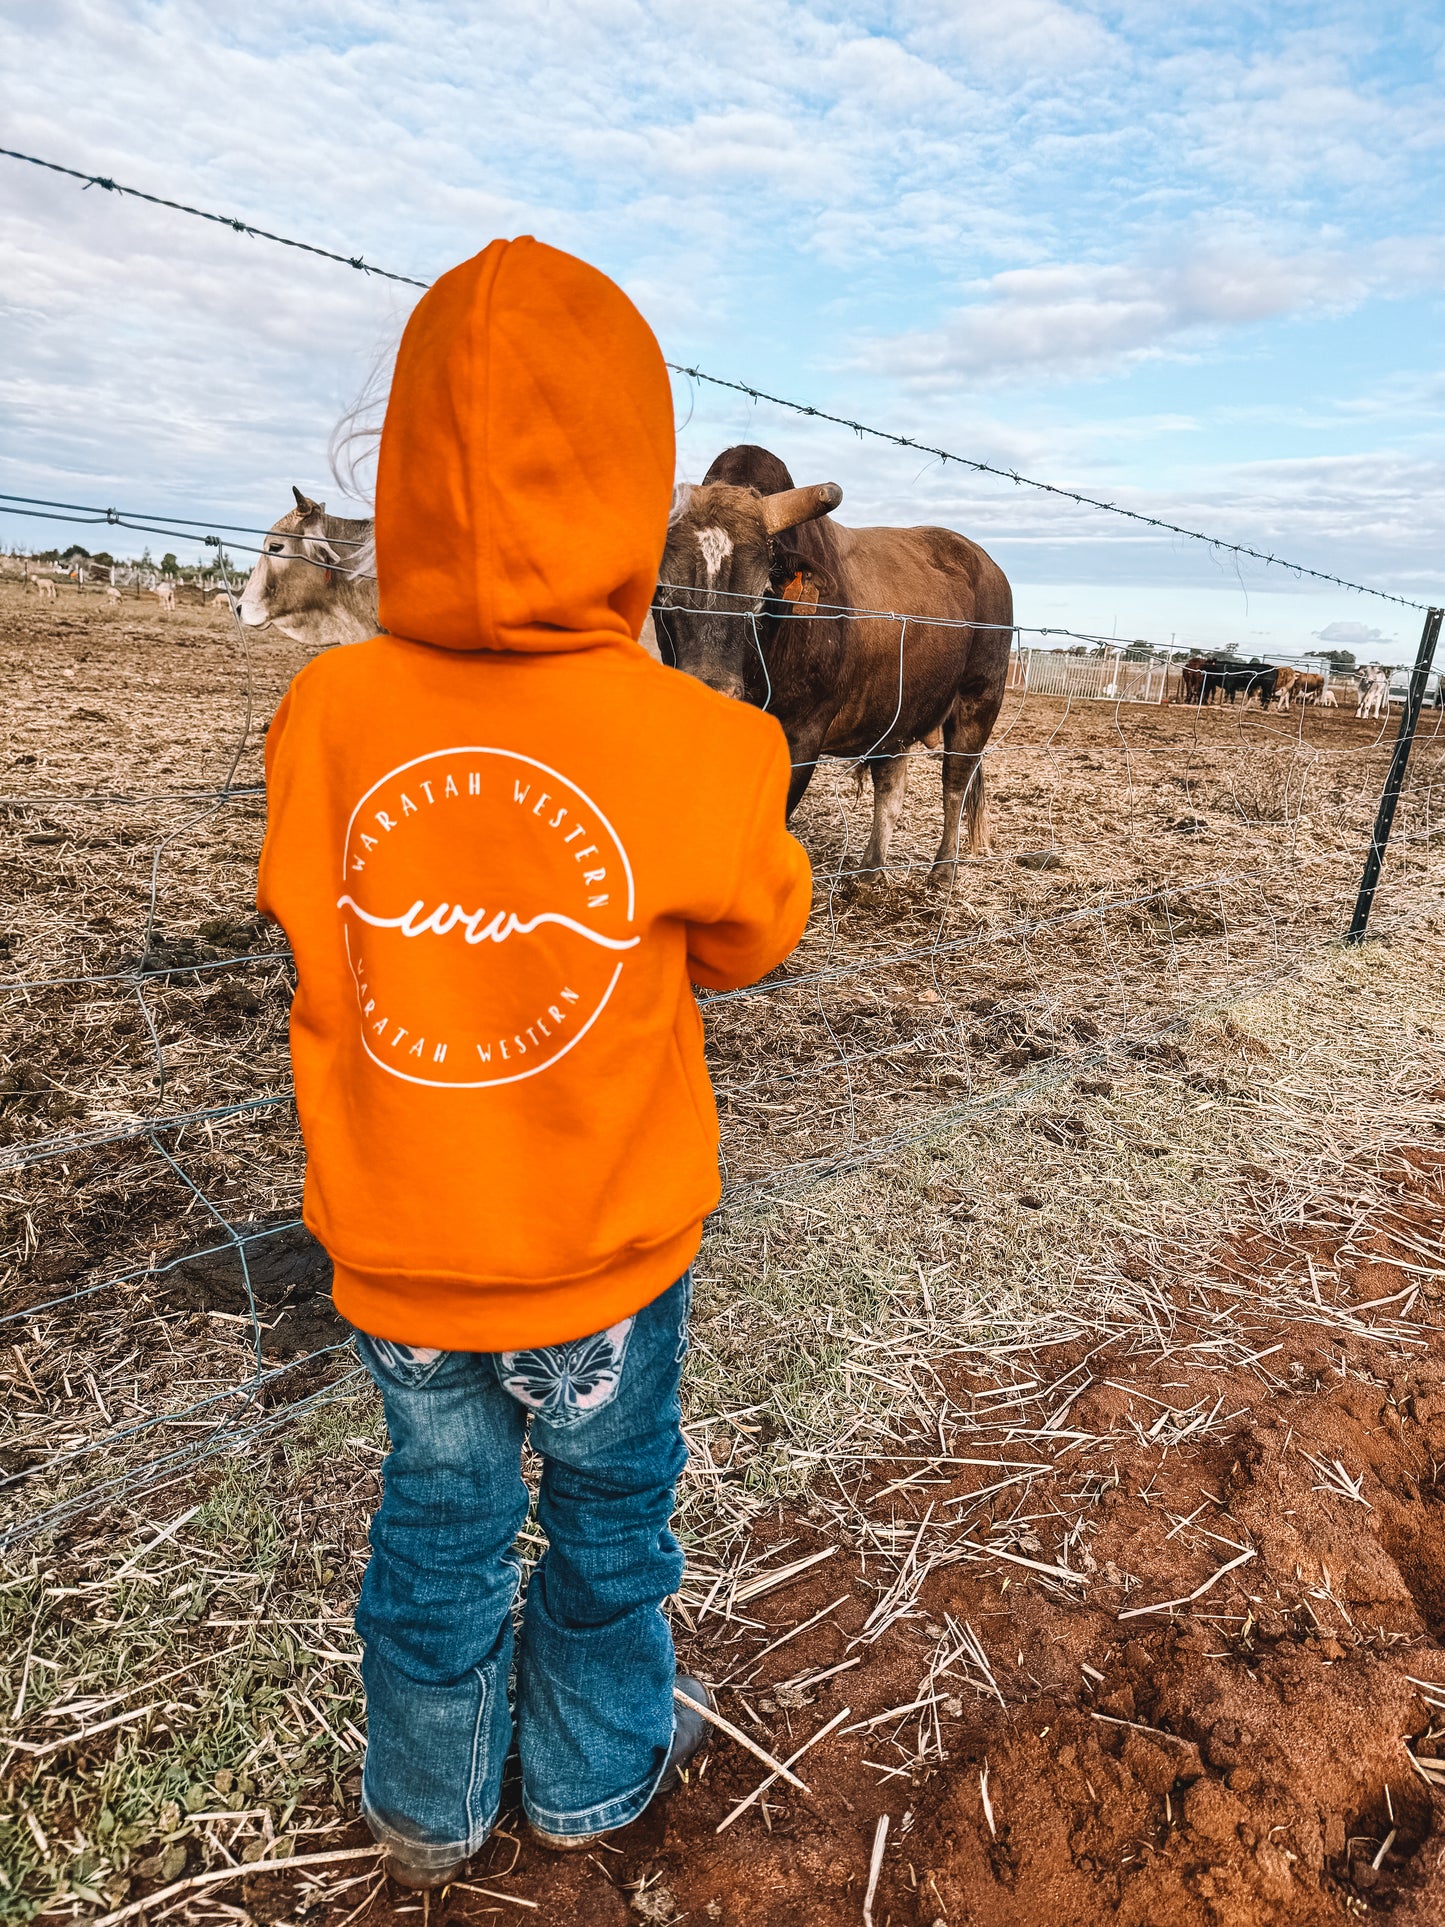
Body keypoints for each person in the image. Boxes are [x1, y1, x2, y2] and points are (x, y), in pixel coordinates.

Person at [256, 237, 812, 1887]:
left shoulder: (331, 715)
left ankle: (425, 1804)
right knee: (609, 1518)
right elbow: (754, 937)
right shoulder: (704, 741)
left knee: (433, 1531)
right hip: (608, 1253)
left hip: (403, 1247)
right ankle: (586, 1773)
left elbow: (308, 919)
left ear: (408, 475)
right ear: (634, 494)